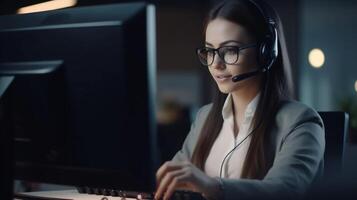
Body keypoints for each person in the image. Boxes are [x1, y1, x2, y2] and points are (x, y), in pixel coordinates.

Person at [154, 0, 325, 200]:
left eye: (230, 50)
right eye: (210, 51)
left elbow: (284, 191)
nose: (216, 64)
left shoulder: (301, 122)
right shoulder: (205, 117)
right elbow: (173, 180)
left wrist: (212, 186)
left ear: (265, 52)